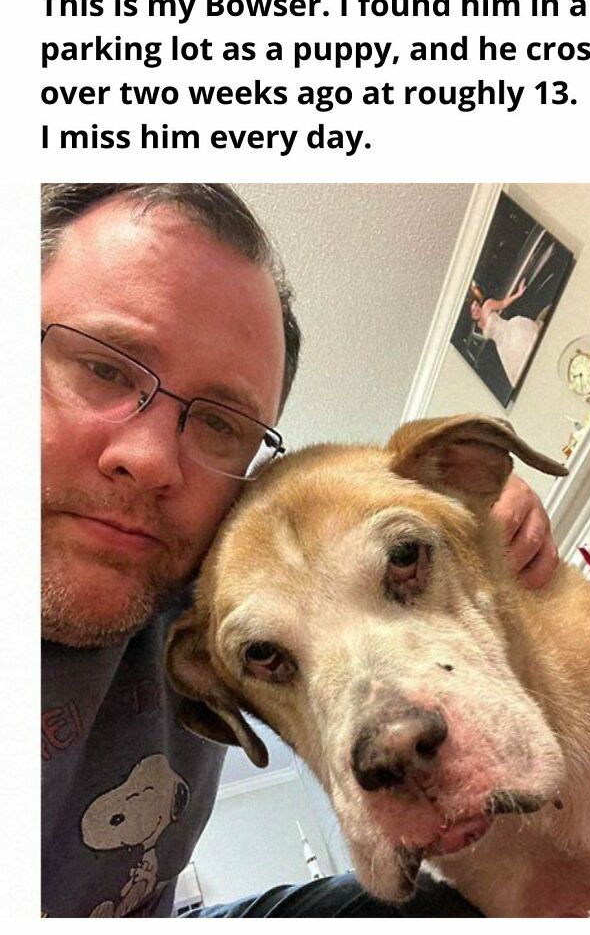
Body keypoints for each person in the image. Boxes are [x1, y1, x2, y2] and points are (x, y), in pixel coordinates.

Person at [41, 183, 560, 918]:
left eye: (219, 422)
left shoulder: (194, 572)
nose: (155, 458)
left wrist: (463, 505)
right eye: (103, 367)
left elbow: (325, 537)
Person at [469, 279, 544, 388]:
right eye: (472, 311)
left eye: (475, 305)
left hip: (511, 331)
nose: (476, 310)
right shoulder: (479, 325)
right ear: (471, 316)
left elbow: (503, 303)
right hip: (503, 347)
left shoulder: (487, 305)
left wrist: (518, 293)